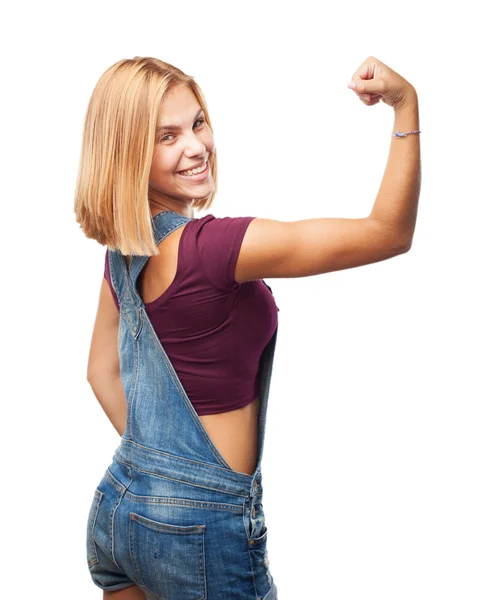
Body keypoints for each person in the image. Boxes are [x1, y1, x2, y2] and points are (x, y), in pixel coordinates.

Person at [75, 55, 421, 599]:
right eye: (166, 136)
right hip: (200, 529)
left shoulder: (126, 251)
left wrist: (163, 478)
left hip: (121, 509)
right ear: (126, 154)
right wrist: (406, 105)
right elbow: (388, 232)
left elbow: (101, 373)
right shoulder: (214, 249)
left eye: (197, 123)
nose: (195, 146)